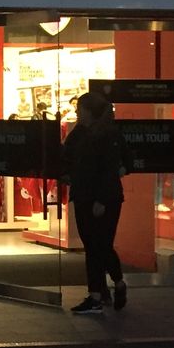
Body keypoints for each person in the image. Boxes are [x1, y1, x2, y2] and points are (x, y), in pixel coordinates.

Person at [61, 91, 129, 314]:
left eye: (80, 109)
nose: (77, 112)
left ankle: (97, 295)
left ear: (89, 111)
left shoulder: (106, 135)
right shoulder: (82, 133)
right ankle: (112, 286)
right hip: (88, 196)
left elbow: (110, 168)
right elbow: (67, 155)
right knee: (99, 246)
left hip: (100, 198)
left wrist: (101, 199)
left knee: (96, 246)